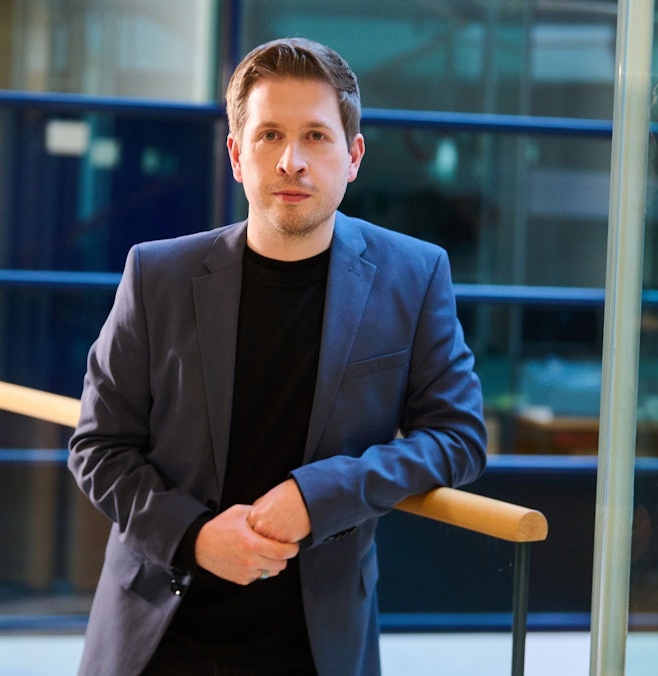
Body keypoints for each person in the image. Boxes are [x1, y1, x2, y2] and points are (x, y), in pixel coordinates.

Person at [68, 38, 487, 676]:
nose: (293, 161)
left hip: (315, 645)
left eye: (316, 136)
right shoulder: (157, 275)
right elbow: (98, 447)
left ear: (353, 156)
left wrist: (321, 495)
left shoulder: (415, 275)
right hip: (161, 637)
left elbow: (459, 437)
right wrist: (195, 536)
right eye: (269, 136)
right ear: (237, 155)